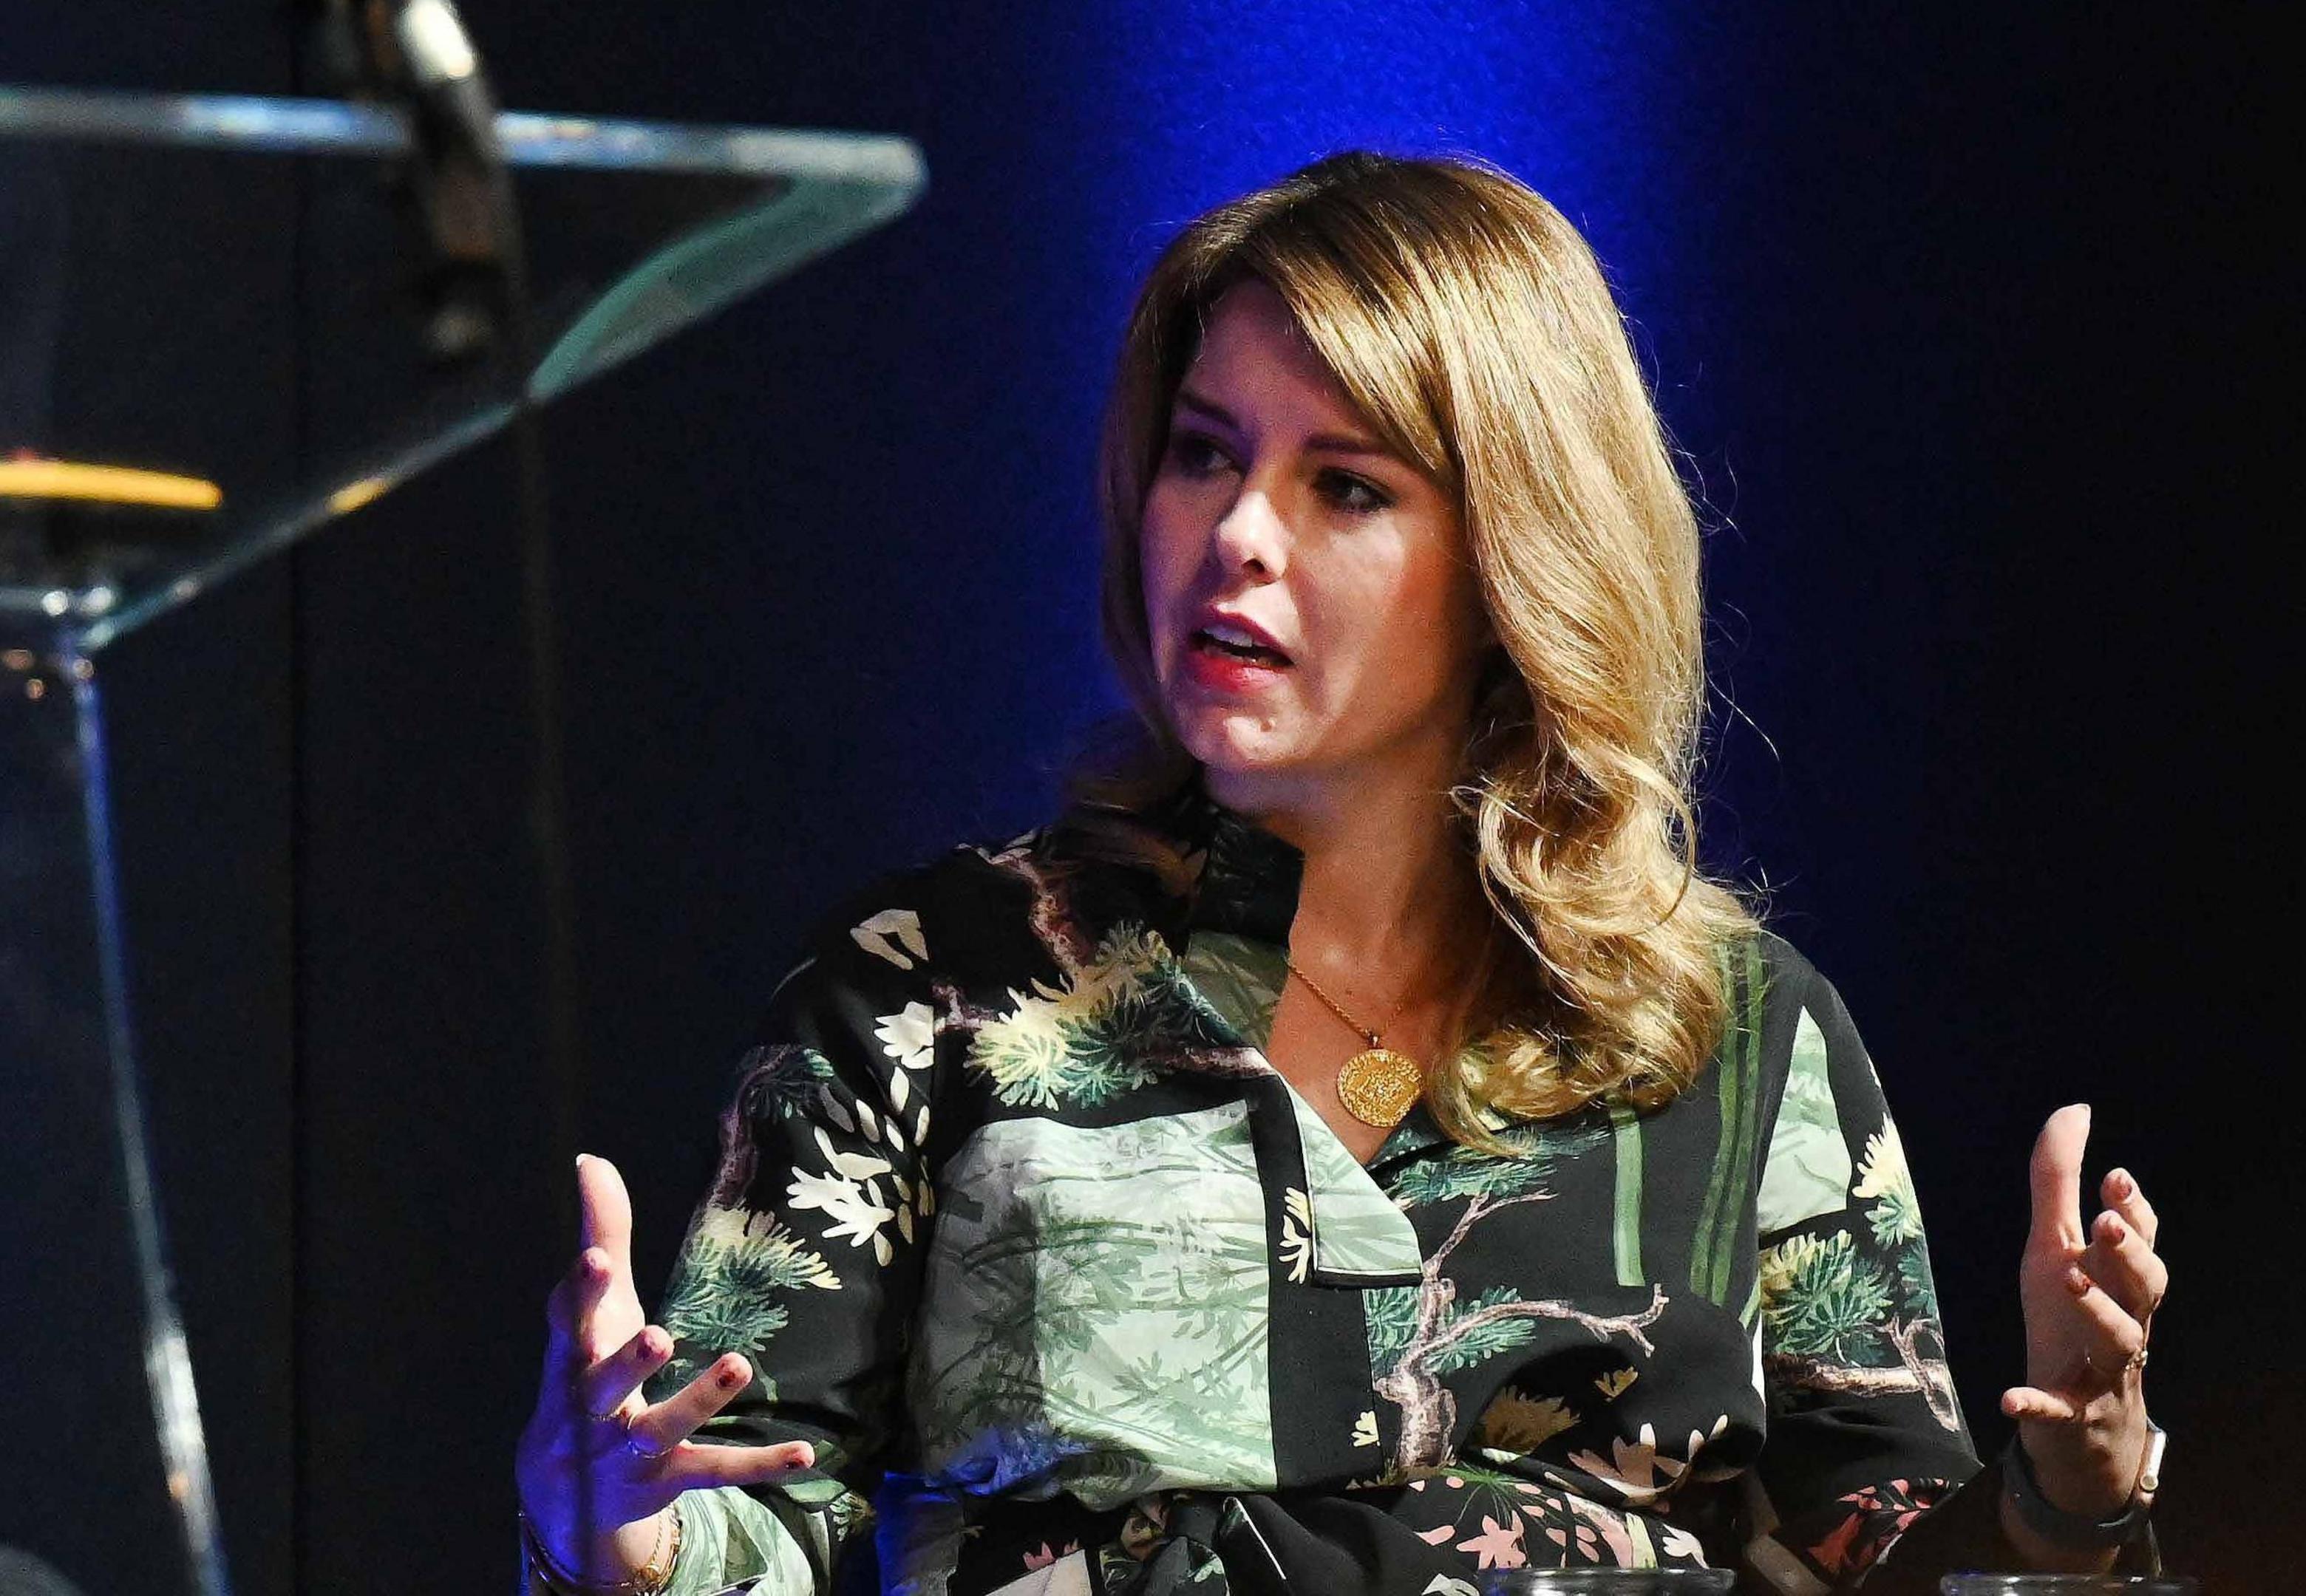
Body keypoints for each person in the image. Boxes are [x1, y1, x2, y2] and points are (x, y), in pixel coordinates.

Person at [512, 151, 2170, 1596]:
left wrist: (2069, 1486)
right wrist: (617, 1537)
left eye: (1347, 486)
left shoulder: (1735, 1039)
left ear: (1516, 557)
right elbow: (742, 1521)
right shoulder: (929, 987)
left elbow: (1877, 1561)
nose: (1239, 534)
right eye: (1204, 454)